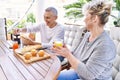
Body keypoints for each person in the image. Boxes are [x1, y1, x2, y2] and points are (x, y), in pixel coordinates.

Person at [52, 0, 116, 80]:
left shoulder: (105, 45)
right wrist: (66, 51)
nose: (84, 20)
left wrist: (68, 55)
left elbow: (88, 75)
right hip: (80, 73)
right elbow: (77, 56)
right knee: (52, 77)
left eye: (85, 16)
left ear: (94, 19)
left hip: (93, 78)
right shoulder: (87, 35)